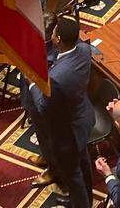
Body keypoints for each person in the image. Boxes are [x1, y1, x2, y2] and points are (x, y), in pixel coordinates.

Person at [23, 16, 95, 205]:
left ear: (58, 39)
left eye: (54, 32)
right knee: (84, 163)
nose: (51, 34)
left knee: (73, 174)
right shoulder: (84, 50)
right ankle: (86, 197)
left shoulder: (56, 78)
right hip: (83, 118)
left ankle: (80, 204)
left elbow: (42, 108)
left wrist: (32, 84)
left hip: (67, 132)